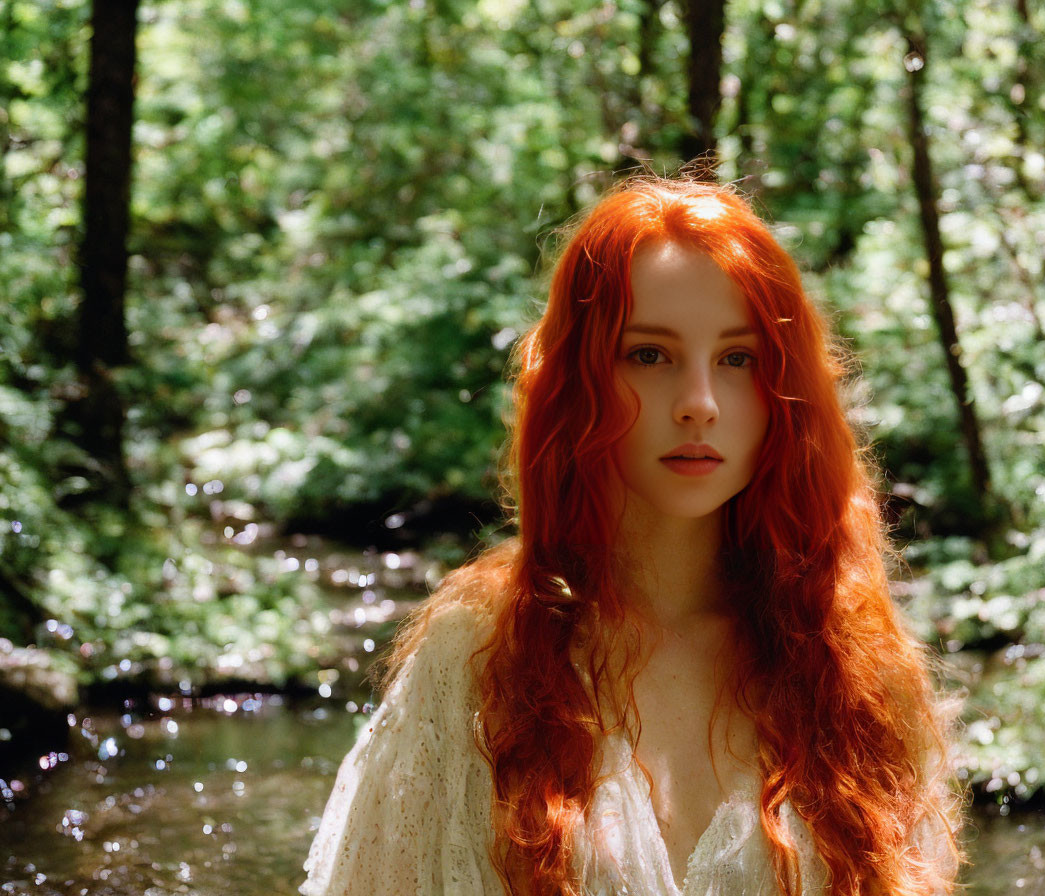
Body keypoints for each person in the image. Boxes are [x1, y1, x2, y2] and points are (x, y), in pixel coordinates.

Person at [300, 176, 963, 896]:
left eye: (738, 360)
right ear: (577, 384)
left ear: (784, 395)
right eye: (650, 355)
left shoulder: (856, 666)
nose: (699, 404)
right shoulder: (474, 658)